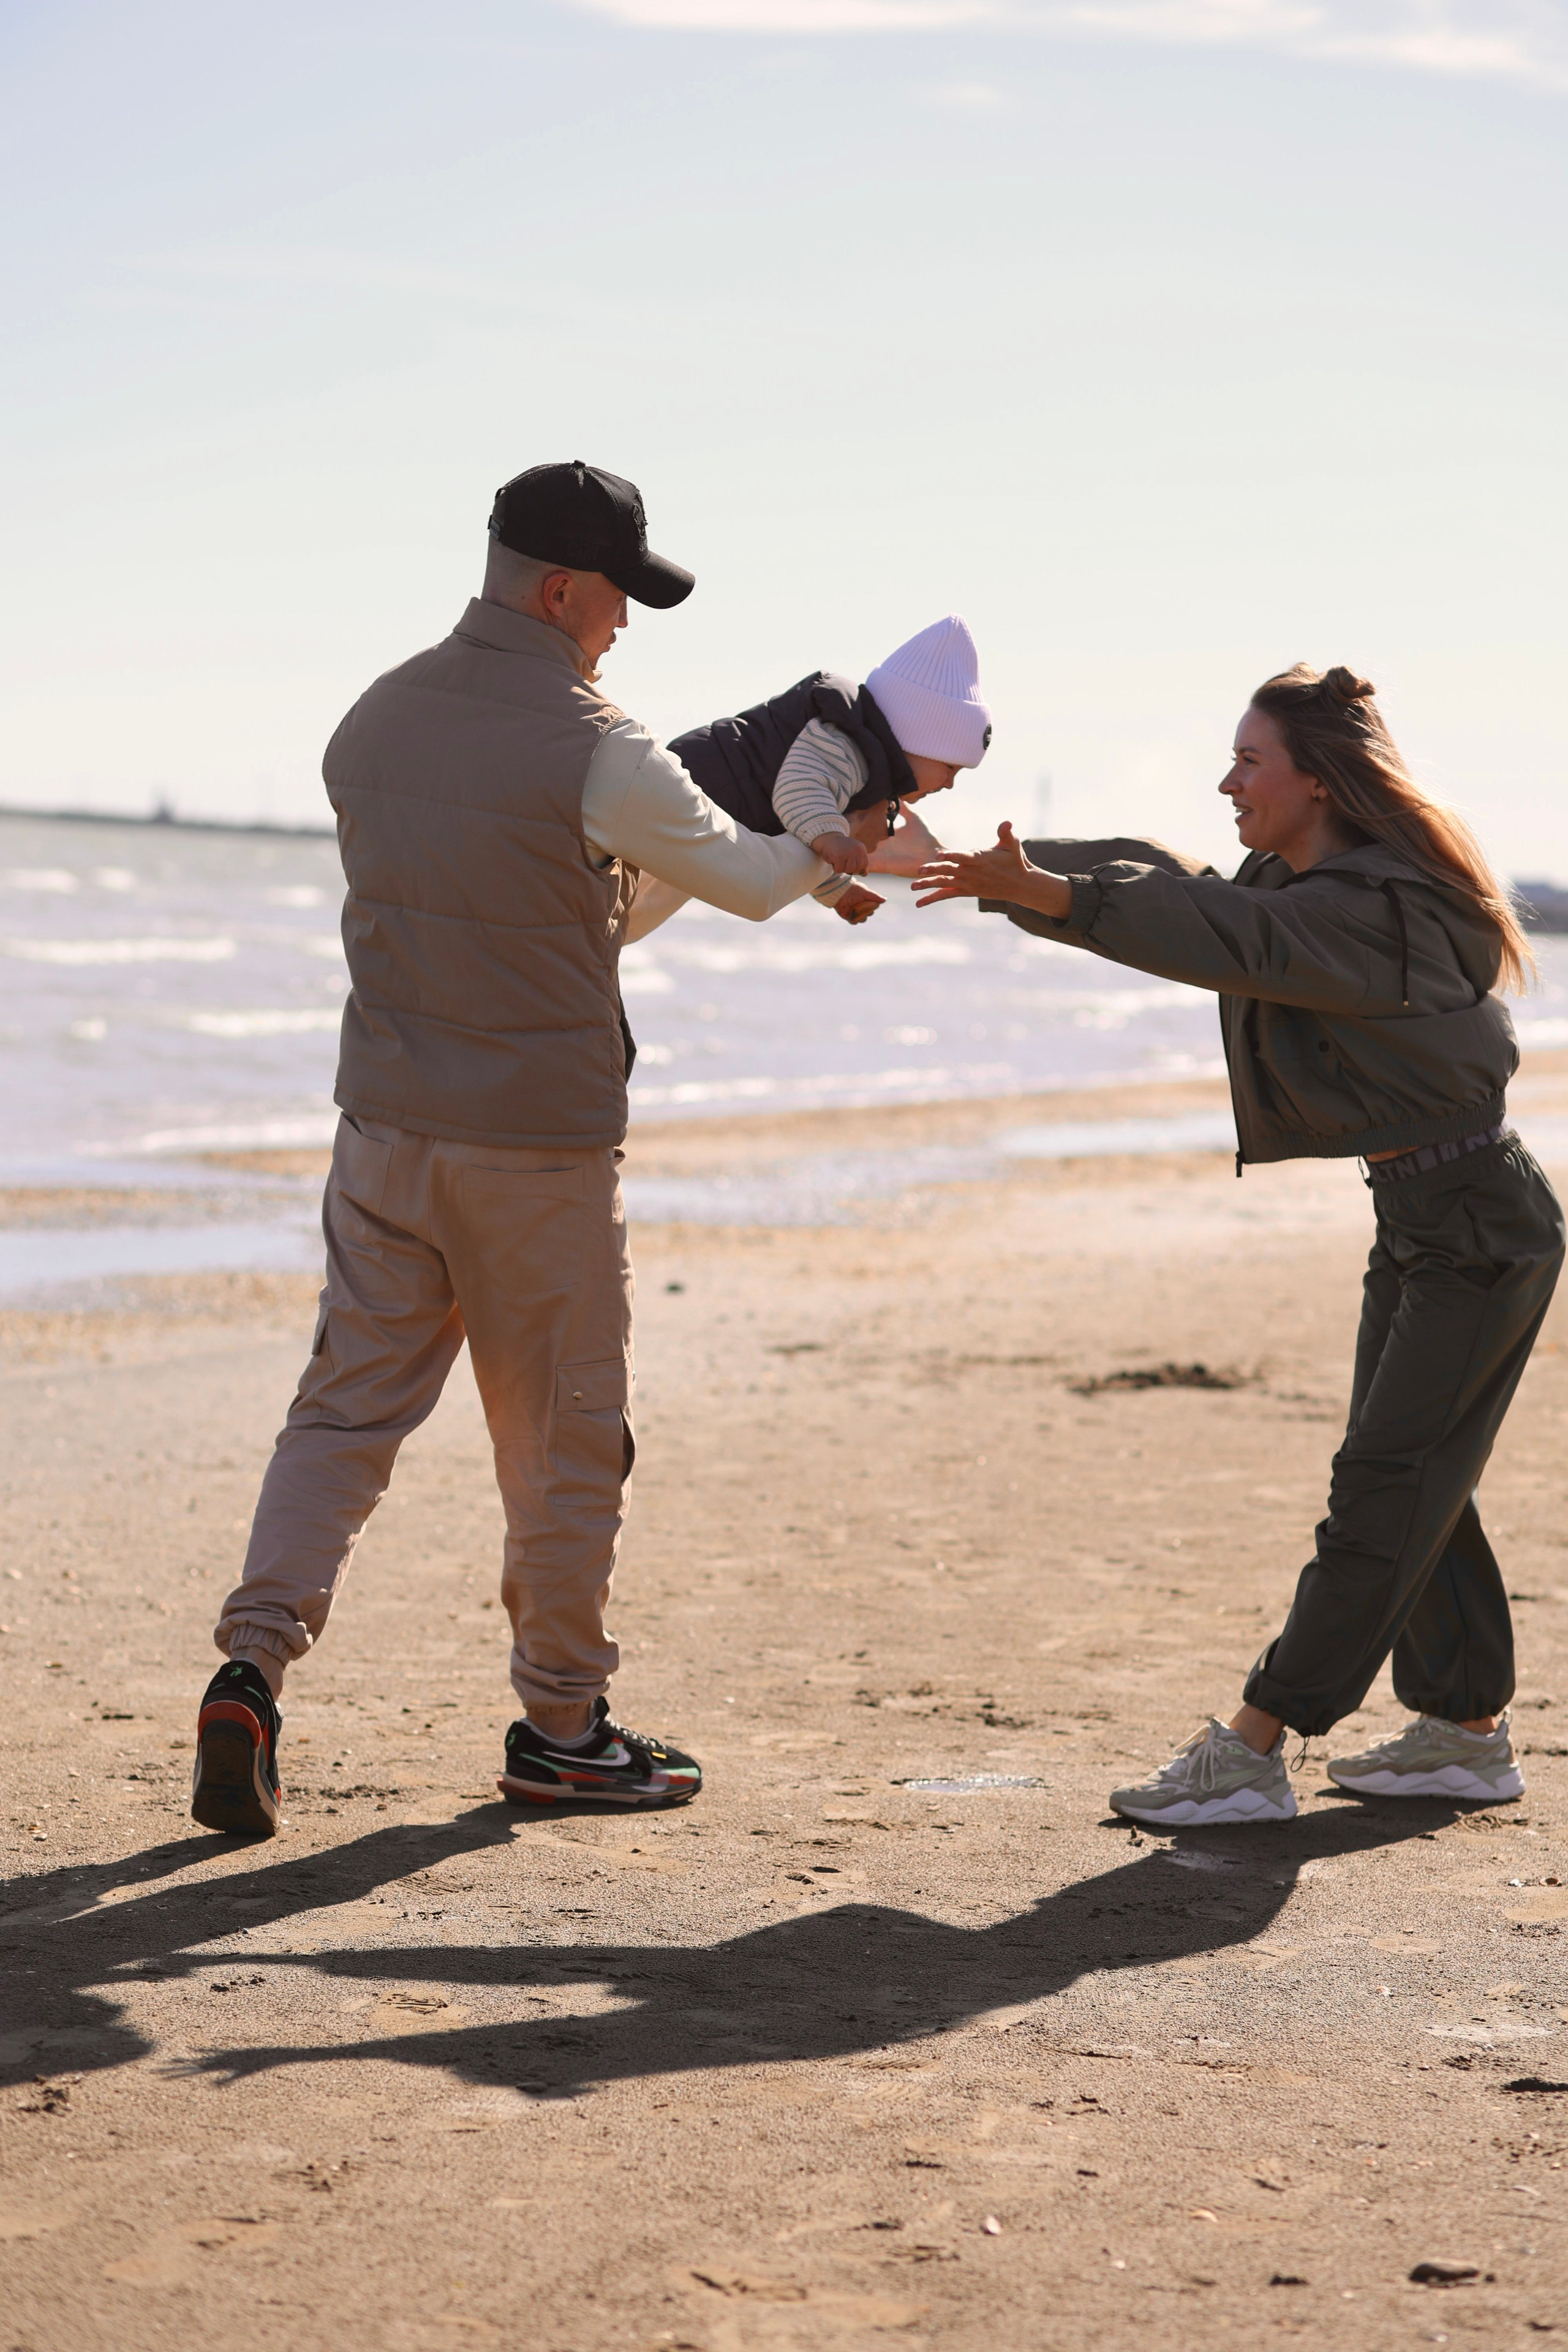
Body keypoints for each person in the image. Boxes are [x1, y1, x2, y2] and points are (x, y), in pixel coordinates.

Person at [192, 459, 876, 1839]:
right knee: (566, 1445)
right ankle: (563, 1729)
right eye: (619, 597)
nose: (624, 625)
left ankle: (249, 1668)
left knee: (341, 1416)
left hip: (381, 1138)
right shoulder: (597, 744)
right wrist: (836, 835)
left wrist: (671, 864)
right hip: (538, 1162)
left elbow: (534, 915)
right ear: (561, 587)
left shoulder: (367, 723)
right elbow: (748, 885)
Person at [915, 663, 1564, 1826]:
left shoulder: (1372, 913)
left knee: (1385, 1484)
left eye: (1249, 762)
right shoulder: (1316, 879)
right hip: (1433, 1216)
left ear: (1318, 780)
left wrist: (1054, 900)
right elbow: (1177, 875)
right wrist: (977, 863)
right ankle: (1465, 1732)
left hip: (1474, 1226)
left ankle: (1257, 1745)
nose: (1228, 782)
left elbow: (1226, 929)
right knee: (1417, 1477)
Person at [666, 616, 992, 925]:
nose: (949, 784)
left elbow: (801, 829)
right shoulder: (845, 745)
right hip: (679, 797)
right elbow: (799, 792)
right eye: (950, 766)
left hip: (691, 819)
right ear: (915, 739)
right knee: (636, 903)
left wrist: (838, 889)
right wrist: (836, 840)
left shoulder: (861, 761)